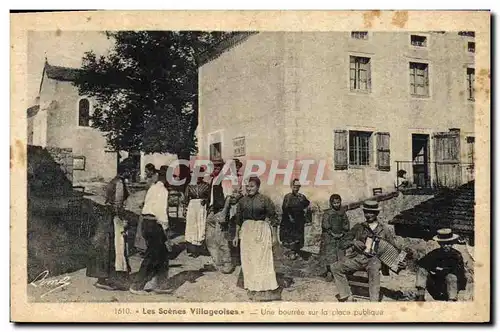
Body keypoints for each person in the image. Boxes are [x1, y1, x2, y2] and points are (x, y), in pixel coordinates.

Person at [331, 200, 404, 302]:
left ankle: (374, 301)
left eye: (371, 212)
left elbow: (394, 248)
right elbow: (342, 243)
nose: (368, 215)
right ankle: (347, 296)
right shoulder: (359, 227)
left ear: (376, 213)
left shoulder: (384, 229)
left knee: (374, 269)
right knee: (335, 267)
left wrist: (400, 261)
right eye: (366, 212)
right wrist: (353, 242)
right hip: (358, 258)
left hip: (375, 259)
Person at [233, 176, 281, 301]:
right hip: (247, 231)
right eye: (247, 186)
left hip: (262, 230)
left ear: (258, 186)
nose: (249, 189)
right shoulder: (242, 201)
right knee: (249, 259)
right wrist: (236, 235)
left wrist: (275, 236)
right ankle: (251, 287)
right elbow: (238, 220)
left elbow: (274, 219)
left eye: (252, 186)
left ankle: (264, 286)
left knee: (262, 259)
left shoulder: (265, 200)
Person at [86, 163, 131, 290]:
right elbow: (117, 205)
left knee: (107, 247)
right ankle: (106, 279)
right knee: (113, 247)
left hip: (107, 217)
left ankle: (105, 278)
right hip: (113, 218)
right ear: (125, 171)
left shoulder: (113, 181)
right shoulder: (120, 183)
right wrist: (124, 219)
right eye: (129, 170)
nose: (131, 173)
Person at [129, 170, 172, 295]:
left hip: (146, 222)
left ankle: (159, 283)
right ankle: (137, 285)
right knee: (152, 255)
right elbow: (161, 212)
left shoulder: (152, 188)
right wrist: (166, 229)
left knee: (162, 254)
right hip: (155, 224)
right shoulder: (163, 191)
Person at [414, 228, 467, 302]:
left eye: (448, 244)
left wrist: (443, 270)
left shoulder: (456, 255)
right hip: (435, 284)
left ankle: (451, 300)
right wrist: (433, 269)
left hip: (449, 286)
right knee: (422, 269)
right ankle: (420, 296)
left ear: (452, 243)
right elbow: (422, 264)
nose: (446, 246)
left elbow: (459, 273)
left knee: (451, 277)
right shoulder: (435, 253)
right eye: (443, 244)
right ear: (439, 243)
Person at [319, 194, 350, 282]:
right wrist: (332, 233)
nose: (336, 204)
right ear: (331, 203)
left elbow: (346, 224)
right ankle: (329, 272)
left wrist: (343, 233)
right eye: (335, 203)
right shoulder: (327, 213)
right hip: (329, 238)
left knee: (340, 254)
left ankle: (339, 273)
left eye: (338, 202)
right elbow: (325, 225)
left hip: (340, 237)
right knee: (330, 255)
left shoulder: (342, 213)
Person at [280, 179, 310, 260]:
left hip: (299, 220)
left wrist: (303, 202)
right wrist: (290, 217)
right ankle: (291, 253)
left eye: (298, 186)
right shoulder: (288, 197)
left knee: (298, 237)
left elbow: (307, 204)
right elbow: (285, 208)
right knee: (290, 237)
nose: (296, 188)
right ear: (291, 186)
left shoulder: (301, 196)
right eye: (294, 186)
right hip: (289, 220)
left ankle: (297, 251)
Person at [184, 166, 211, 257]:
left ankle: (200, 248)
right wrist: (185, 209)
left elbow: (209, 198)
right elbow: (186, 198)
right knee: (192, 227)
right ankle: (192, 249)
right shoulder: (190, 185)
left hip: (201, 208)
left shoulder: (206, 185)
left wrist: (205, 200)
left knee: (201, 226)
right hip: (192, 207)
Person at [205, 196, 234, 274]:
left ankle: (227, 263)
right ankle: (217, 262)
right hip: (212, 211)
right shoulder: (213, 183)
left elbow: (229, 196)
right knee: (210, 240)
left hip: (221, 211)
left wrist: (224, 212)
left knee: (221, 240)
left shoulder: (224, 183)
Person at [135, 163, 159, 253]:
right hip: (147, 204)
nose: (145, 173)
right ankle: (143, 247)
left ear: (151, 171)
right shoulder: (150, 179)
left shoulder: (155, 179)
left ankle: (147, 247)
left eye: (146, 171)